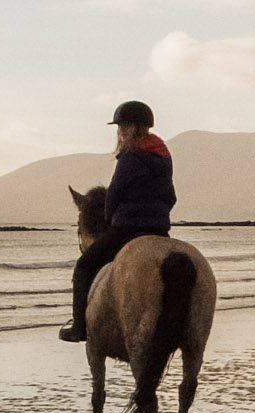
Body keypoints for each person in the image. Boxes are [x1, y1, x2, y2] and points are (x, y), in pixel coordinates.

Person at [60, 100, 175, 343]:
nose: (120, 131)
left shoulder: (131, 156)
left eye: (123, 126)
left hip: (128, 229)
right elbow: (171, 197)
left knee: (83, 266)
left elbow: (114, 195)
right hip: (160, 231)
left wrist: (112, 218)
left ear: (136, 128)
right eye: (119, 127)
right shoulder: (163, 157)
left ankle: (79, 327)